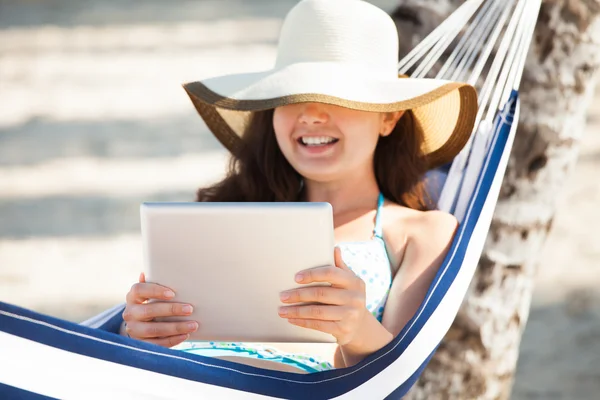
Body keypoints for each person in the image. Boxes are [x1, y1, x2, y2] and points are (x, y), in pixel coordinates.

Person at [120, 0, 477, 374]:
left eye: (336, 97)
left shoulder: (419, 233)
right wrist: (138, 331)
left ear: (388, 117)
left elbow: (394, 381)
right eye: (290, 97)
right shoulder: (226, 217)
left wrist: (356, 329)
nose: (310, 114)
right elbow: (143, 349)